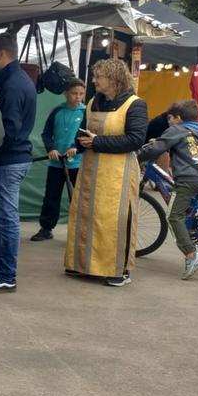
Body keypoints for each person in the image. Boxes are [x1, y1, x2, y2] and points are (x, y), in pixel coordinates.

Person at [66, 58, 148, 287]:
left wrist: (98, 142)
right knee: (86, 216)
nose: (94, 81)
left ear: (113, 78)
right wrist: (80, 142)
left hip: (118, 173)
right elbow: (85, 131)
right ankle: (82, 264)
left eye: (98, 77)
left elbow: (135, 139)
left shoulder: (135, 104)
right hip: (91, 170)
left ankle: (117, 270)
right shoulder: (93, 102)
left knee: (114, 220)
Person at [0, 33, 37, 293]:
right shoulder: (16, 79)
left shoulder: (13, 84)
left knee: (5, 219)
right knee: (0, 219)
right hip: (12, 159)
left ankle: (6, 275)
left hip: (10, 160)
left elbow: (9, 130)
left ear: (1, 53)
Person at [137, 100, 198, 279]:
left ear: (179, 117)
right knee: (182, 209)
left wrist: (136, 153)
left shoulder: (176, 130)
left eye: (170, 118)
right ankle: (191, 227)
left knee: (173, 216)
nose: (168, 121)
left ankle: (191, 255)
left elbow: (157, 148)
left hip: (189, 179)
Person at [32, 80, 87, 242]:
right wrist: (51, 149)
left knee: (79, 198)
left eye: (81, 94)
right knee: (51, 196)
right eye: (74, 93)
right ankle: (46, 228)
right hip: (56, 163)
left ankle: (80, 231)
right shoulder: (57, 111)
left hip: (77, 164)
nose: (78, 97)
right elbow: (46, 134)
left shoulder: (86, 113)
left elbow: (87, 135)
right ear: (66, 93)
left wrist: (76, 147)